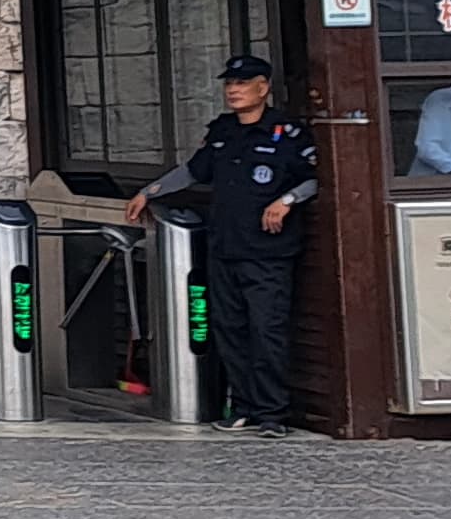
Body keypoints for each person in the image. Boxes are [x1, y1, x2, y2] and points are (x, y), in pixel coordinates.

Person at [125, 55, 318, 435]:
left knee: (267, 331)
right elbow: (192, 171)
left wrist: (287, 200)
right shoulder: (223, 131)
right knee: (230, 330)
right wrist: (149, 192)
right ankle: (243, 408)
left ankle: (272, 414)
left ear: (263, 87)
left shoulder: (287, 133)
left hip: (267, 253)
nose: (233, 90)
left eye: (242, 83)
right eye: (229, 83)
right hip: (225, 247)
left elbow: (315, 178)